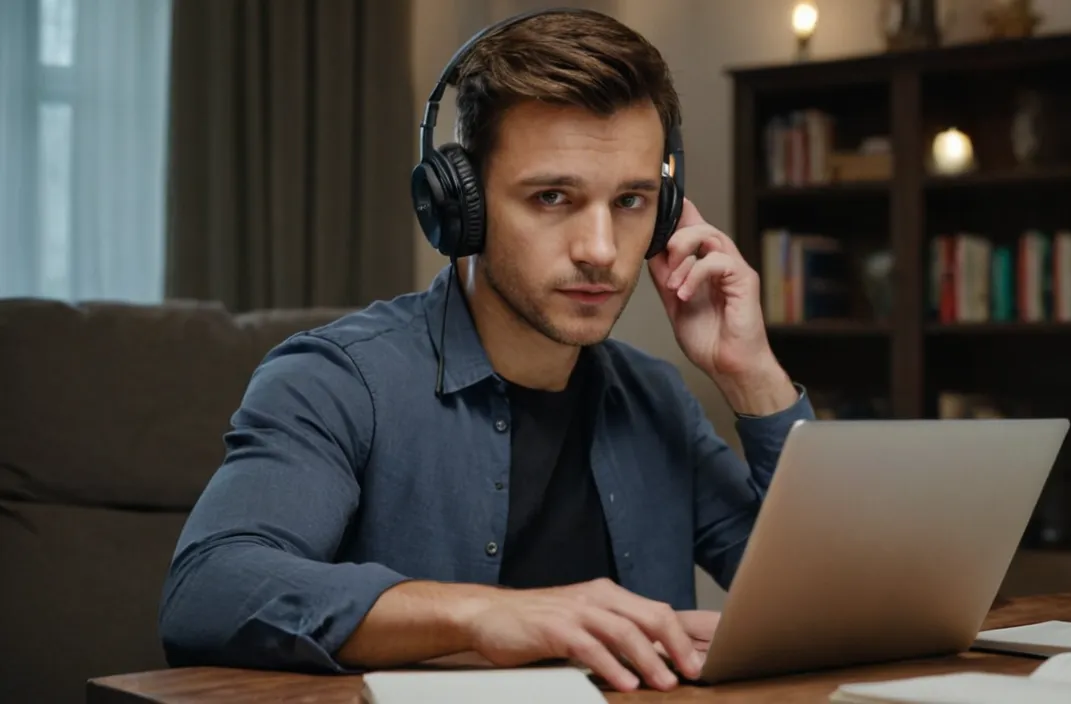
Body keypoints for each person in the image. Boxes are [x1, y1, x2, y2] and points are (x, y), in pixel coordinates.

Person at [156, 8, 813, 694]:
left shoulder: (657, 401)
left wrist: (752, 375)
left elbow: (816, 606)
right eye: (552, 196)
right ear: (458, 206)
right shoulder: (336, 381)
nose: (598, 249)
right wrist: (486, 616)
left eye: (629, 201)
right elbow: (210, 589)